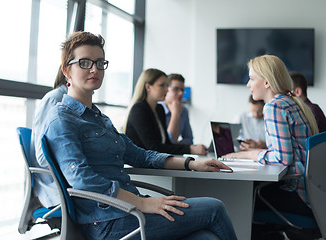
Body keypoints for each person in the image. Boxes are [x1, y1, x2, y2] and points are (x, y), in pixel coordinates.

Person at [41, 31, 237, 240]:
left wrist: (191, 164)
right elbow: (83, 180)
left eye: (100, 62)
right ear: (66, 71)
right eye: (85, 63)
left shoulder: (99, 118)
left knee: (207, 238)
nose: (94, 69)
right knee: (214, 208)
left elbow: (142, 156)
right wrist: (142, 203)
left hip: (128, 211)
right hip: (107, 222)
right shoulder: (61, 119)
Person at [223, 55, 319, 239]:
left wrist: (250, 154)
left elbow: (283, 159)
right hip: (312, 194)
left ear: (266, 82)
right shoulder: (292, 102)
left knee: (238, 200)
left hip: (298, 195)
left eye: (251, 79)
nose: (248, 84)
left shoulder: (274, 107)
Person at [125, 68, 208, 155]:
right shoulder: (138, 109)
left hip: (155, 161)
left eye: (167, 85)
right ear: (148, 87)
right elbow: (154, 147)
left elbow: (166, 143)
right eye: (162, 85)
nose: (166, 90)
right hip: (139, 164)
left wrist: (192, 148)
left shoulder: (159, 109)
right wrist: (190, 149)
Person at [30, 65, 67, 207]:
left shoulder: (75, 102)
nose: (93, 70)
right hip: (56, 187)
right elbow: (42, 158)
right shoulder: (55, 99)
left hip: (71, 182)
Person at [159, 73, 194, 145]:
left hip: (174, 153)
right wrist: (175, 114)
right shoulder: (157, 108)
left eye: (182, 90)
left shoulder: (183, 110)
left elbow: (189, 139)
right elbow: (167, 142)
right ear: (166, 89)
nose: (181, 93)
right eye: (175, 89)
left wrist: (178, 145)